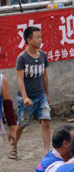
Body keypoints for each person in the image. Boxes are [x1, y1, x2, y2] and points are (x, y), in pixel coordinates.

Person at [12, 26, 51, 157]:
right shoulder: (22, 58)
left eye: (41, 37)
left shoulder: (43, 56)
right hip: (27, 98)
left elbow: (45, 76)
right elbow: (20, 79)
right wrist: (25, 97)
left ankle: (46, 151)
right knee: (22, 124)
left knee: (46, 121)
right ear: (29, 40)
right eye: (37, 37)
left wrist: (47, 94)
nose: (40, 40)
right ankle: (13, 148)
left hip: (41, 96)